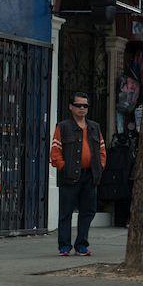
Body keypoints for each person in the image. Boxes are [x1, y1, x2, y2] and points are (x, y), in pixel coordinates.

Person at [51, 92, 107, 257]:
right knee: (66, 213)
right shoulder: (63, 127)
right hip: (70, 176)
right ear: (71, 107)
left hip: (90, 176)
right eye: (78, 105)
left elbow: (102, 150)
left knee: (88, 211)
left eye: (85, 106)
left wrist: (100, 167)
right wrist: (63, 167)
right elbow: (55, 151)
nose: (82, 108)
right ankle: (64, 246)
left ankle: (81, 245)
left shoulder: (95, 127)